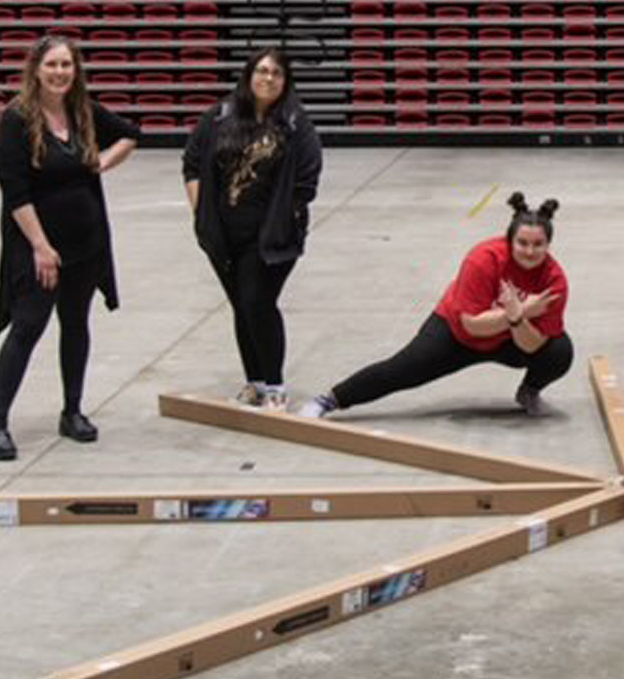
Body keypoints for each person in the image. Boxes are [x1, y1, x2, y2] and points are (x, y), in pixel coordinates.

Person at [0, 35, 142, 461]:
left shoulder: (81, 111)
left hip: (86, 246)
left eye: (66, 66)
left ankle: (72, 411)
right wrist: (40, 245)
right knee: (28, 327)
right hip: (39, 247)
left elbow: (130, 134)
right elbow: (14, 192)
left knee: (76, 325)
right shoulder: (17, 119)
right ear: (36, 69)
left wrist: (101, 162)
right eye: (52, 65)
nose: (59, 73)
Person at [302, 193, 571, 418]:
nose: (529, 251)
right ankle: (329, 400)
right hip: (456, 334)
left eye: (538, 245)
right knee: (400, 370)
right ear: (508, 241)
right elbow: (472, 325)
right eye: (522, 243)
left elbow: (531, 346)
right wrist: (520, 312)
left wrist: (516, 319)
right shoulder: (483, 259)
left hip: (508, 339)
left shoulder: (554, 281)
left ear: (549, 245)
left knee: (559, 350)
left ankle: (529, 392)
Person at [181, 48, 323, 411]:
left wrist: (280, 218)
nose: (268, 78)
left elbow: (307, 179)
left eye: (276, 73)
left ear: (285, 81)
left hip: (269, 239)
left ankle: (275, 384)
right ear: (248, 75)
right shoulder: (220, 116)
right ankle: (255, 381)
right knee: (241, 307)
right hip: (223, 236)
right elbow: (193, 163)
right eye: (261, 71)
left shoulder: (295, 122)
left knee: (258, 302)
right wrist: (203, 214)